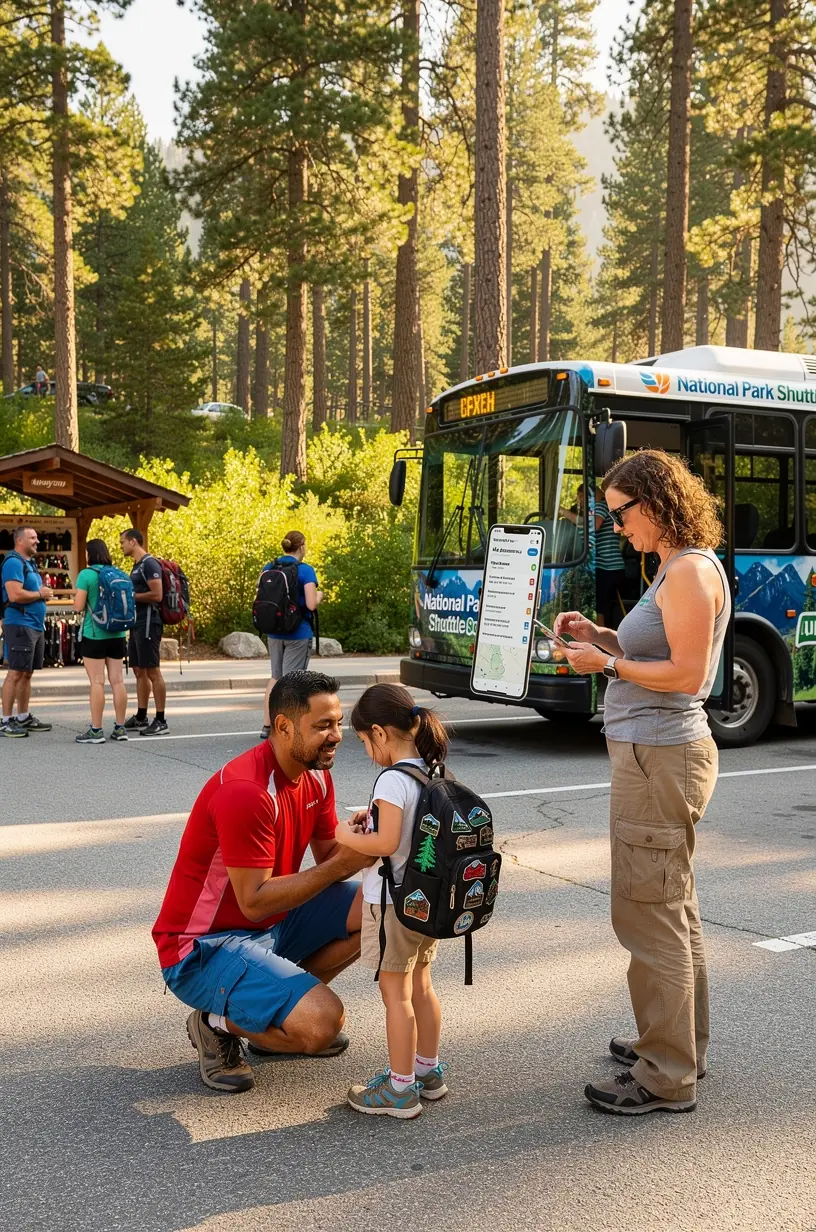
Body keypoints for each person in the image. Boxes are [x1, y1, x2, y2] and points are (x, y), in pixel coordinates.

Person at [554, 449, 730, 1116]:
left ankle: (666, 1073)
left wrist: (608, 664)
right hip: (658, 756)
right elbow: (652, 656)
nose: (615, 528)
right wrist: (601, 641)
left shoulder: (685, 571)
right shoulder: (675, 568)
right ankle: (678, 1044)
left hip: (660, 758)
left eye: (620, 514)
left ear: (655, 503)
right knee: (670, 907)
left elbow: (685, 675)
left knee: (647, 911)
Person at [153, 670, 370, 1094]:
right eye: (323, 725)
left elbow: (329, 856)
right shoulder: (246, 792)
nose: (336, 735)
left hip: (270, 926)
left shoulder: (316, 774)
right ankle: (213, 1022)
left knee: (381, 909)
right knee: (323, 1025)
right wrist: (344, 865)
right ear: (283, 726)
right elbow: (253, 901)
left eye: (338, 722)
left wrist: (366, 835)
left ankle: (272, 1010)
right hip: (202, 948)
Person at [335, 682, 448, 1120]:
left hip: (393, 903)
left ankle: (400, 1089)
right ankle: (427, 1071)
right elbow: (406, 830)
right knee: (421, 986)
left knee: (394, 993)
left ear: (380, 733)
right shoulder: (428, 770)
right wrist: (375, 817)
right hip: (425, 900)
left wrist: (346, 833)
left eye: (364, 741)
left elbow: (383, 843)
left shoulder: (390, 778)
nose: (366, 750)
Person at [259, 530, 324, 740]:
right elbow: (311, 603)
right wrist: (320, 595)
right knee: (293, 681)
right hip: (298, 631)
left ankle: (267, 725)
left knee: (276, 677)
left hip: (274, 631)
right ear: (302, 546)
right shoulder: (305, 570)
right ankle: (288, 727)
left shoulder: (269, 568)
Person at [72, 538, 128, 744]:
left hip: (95, 634)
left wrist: (76, 598)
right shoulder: (118, 572)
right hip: (118, 634)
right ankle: (120, 728)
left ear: (89, 554)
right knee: (118, 681)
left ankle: (96, 730)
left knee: (97, 681)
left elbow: (78, 606)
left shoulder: (86, 574)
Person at [0, 525, 53, 738]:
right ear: (20, 540)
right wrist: (40, 593)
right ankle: (5, 721)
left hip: (33, 624)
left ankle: (23, 716)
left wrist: (41, 594)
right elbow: (14, 595)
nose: (37, 541)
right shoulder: (13, 562)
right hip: (20, 623)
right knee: (15, 672)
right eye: (32, 537)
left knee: (27, 673)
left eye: (37, 537)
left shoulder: (29, 563)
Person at [120, 527, 167, 736]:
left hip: (149, 622)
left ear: (133, 542)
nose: (121, 546)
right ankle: (141, 715)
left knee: (152, 671)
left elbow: (157, 595)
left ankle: (160, 719)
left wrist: (131, 596)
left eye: (122, 542)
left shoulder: (149, 563)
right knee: (138, 669)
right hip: (137, 623)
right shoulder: (137, 565)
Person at [560, 484, 626, 627]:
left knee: (598, 609)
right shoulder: (590, 512)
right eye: (579, 497)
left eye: (584, 496)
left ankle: (599, 643)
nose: (581, 500)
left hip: (607, 567)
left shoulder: (601, 505)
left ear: (594, 494)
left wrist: (561, 510)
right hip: (604, 567)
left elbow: (593, 525)